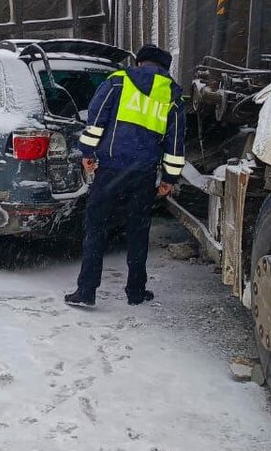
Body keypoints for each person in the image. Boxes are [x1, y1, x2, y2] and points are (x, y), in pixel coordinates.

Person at [65, 44, 185, 307]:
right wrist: (169, 179)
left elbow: (96, 120)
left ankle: (86, 291)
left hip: (109, 170)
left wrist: (87, 152)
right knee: (138, 233)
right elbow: (175, 144)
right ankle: (136, 291)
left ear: (139, 62)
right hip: (143, 175)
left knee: (96, 229)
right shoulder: (172, 95)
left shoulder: (118, 82)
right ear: (165, 68)